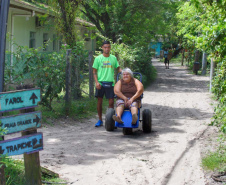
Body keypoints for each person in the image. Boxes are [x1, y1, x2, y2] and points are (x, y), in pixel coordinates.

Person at [92, 40, 122, 127]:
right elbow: (94, 71)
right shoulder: (98, 59)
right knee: (99, 101)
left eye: (108, 47)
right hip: (100, 83)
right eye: (105, 47)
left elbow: (118, 68)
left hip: (110, 83)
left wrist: (124, 73)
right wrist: (96, 82)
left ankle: (110, 121)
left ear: (110, 48)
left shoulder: (113, 58)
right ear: (102, 48)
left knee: (111, 102)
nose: (107, 49)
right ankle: (100, 120)